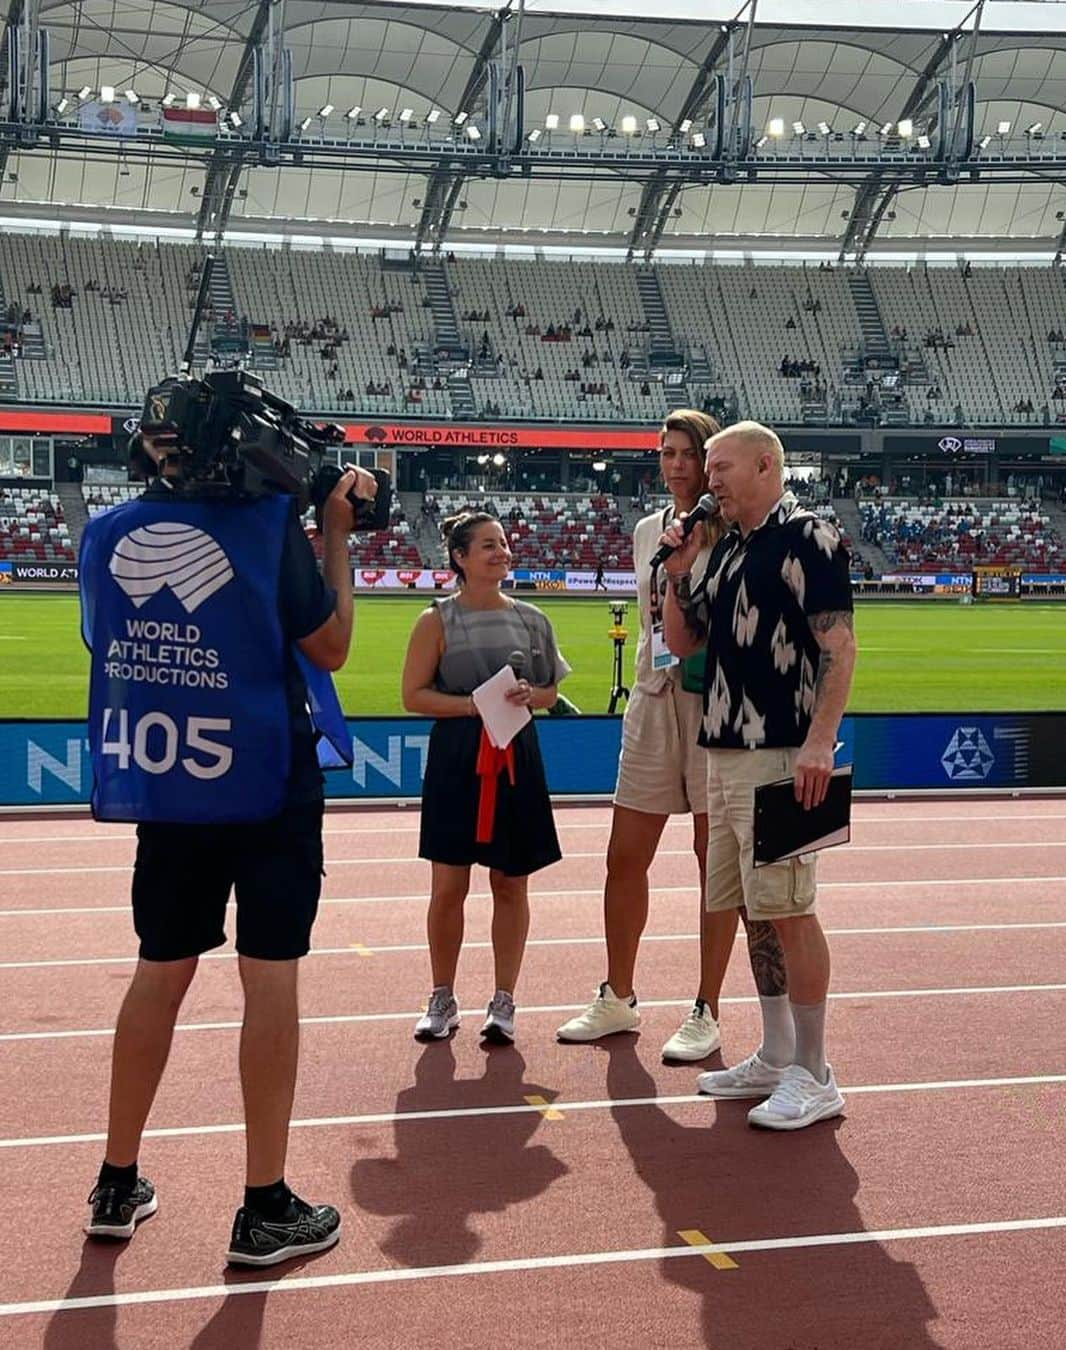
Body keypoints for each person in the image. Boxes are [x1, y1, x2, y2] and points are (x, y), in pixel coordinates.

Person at [78, 426, 377, 1262]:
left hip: (169, 780)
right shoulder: (267, 527)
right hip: (267, 778)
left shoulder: (107, 530)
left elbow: (106, 644)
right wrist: (336, 541)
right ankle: (264, 1203)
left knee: (158, 972)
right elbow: (332, 645)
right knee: (269, 975)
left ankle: (114, 1179)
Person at [557, 411, 791, 1064]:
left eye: (690, 454)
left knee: (713, 865)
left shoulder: (738, 533)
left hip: (715, 704)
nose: (679, 465)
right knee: (623, 854)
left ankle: (706, 1008)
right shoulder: (647, 532)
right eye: (668, 454)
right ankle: (618, 994)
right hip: (653, 696)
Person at [660, 420, 856, 1130]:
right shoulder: (726, 547)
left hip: (782, 750)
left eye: (721, 466)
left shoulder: (810, 538)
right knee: (751, 907)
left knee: (792, 908)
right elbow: (684, 641)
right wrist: (678, 571)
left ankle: (815, 1071)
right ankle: (775, 1054)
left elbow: (840, 646)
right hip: (723, 748)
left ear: (767, 465)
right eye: (707, 468)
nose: (708, 478)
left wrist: (820, 741)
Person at [402, 511, 570, 1045]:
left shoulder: (533, 619)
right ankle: (442, 996)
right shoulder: (436, 620)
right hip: (459, 754)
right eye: (488, 546)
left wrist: (529, 696)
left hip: (517, 751)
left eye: (503, 544)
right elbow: (413, 696)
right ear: (460, 557)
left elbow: (549, 692)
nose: (501, 552)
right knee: (449, 884)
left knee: (510, 881)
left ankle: (504, 1001)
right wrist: (473, 708)